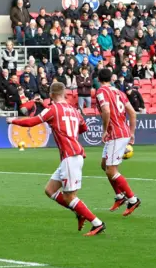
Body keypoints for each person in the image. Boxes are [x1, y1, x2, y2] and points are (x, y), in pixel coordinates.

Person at [7, 82, 106, 236]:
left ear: (52, 95)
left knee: (70, 197)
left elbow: (32, 122)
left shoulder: (52, 109)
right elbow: (84, 128)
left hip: (70, 156)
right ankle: (79, 212)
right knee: (50, 190)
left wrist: (13, 120)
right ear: (65, 93)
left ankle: (97, 223)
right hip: (73, 155)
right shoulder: (74, 110)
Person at [96, 68, 141, 215]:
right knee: (104, 165)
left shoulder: (101, 91)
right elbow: (133, 112)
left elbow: (106, 111)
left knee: (111, 170)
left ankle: (133, 199)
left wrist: (104, 130)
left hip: (116, 134)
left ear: (98, 79)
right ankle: (120, 196)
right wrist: (132, 133)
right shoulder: (119, 92)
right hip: (122, 132)